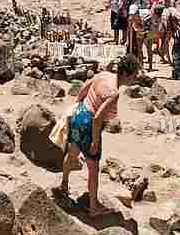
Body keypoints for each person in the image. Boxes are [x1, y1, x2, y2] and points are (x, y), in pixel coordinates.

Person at [58, 56, 137, 209]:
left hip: (78, 115)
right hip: (89, 125)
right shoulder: (114, 93)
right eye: (134, 75)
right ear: (127, 74)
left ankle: (64, 183)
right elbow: (97, 118)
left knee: (72, 152)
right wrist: (94, 141)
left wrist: (75, 106)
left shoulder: (104, 75)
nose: (135, 79)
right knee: (93, 169)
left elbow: (85, 87)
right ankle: (93, 208)